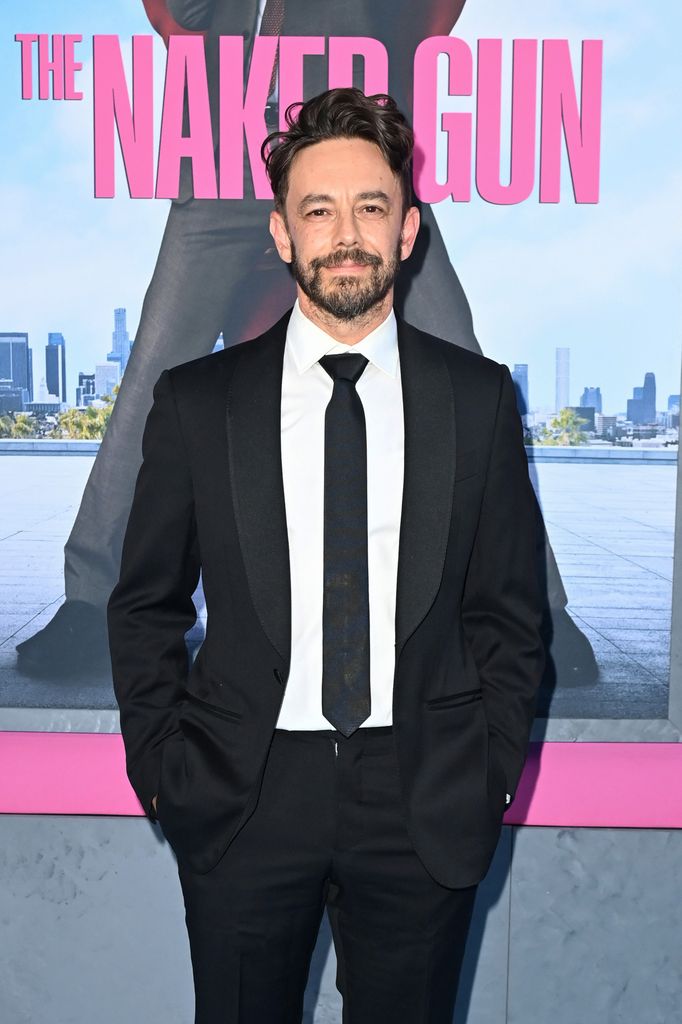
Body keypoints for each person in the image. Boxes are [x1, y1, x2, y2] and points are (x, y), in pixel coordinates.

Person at [106, 87, 546, 1024]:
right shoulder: (197, 402)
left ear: (409, 230)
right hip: (242, 791)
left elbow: (509, 614)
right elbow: (145, 605)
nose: (345, 234)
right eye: (319, 209)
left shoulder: (478, 401)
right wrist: (161, 765)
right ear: (280, 233)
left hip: (422, 795)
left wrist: (490, 771)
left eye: (370, 208)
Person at [15, 0, 596, 692]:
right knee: (155, 365)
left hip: (350, 133)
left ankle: (539, 607)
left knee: (459, 355)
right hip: (227, 138)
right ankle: (91, 599)